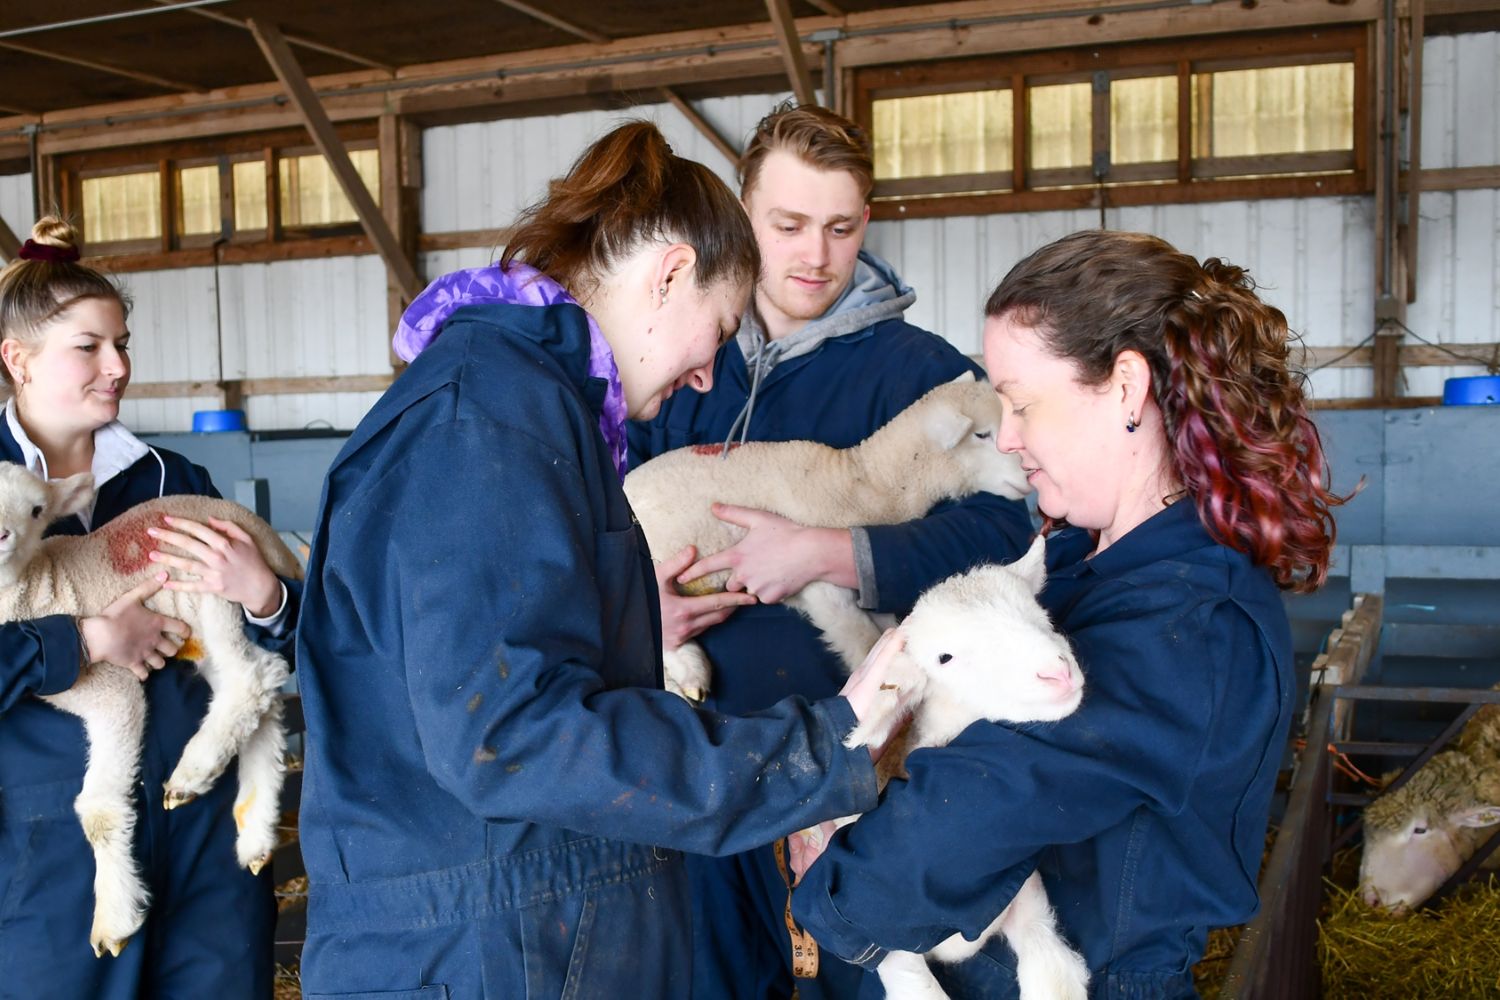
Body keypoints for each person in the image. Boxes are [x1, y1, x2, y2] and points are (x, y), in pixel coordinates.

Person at [292, 121, 906, 999]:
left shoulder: (528, 409)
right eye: (721, 327)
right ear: (669, 273)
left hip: (516, 932)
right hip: (488, 953)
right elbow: (510, 736)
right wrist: (806, 754)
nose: (705, 379)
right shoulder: (485, 424)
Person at [788, 229, 1347, 998]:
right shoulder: (1081, 563)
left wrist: (830, 897)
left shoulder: (1186, 618)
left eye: (1020, 404)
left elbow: (987, 797)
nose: (1008, 438)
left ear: (1124, 388)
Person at [627, 102, 1033, 999]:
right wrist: (637, 608)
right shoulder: (684, 367)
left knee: (866, 974)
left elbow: (1007, 530)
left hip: (863, 759)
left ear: (867, 224)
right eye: (788, 225)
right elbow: (607, 522)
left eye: (841, 227)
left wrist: (833, 553)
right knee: (713, 977)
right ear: (742, 217)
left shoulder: (918, 373)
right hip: (697, 759)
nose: (815, 254)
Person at [0, 218, 299, 999]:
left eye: (123, 343)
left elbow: (293, 636)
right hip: (49, 845)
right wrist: (81, 641)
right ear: (16, 359)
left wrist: (264, 595)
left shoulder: (171, 476)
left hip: (201, 830)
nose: (118, 366)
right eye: (90, 347)